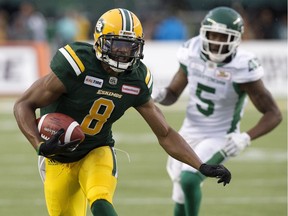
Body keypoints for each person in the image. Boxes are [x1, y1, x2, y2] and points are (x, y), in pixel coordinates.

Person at [13, 8, 231, 216]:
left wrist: (200, 165)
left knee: (100, 199)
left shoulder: (136, 79)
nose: (124, 52)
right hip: (56, 157)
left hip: (96, 149)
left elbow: (165, 133)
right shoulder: (77, 64)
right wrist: (40, 145)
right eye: (117, 45)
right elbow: (23, 104)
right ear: (100, 41)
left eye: (130, 46)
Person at [152, 6, 282, 216]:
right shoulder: (192, 51)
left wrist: (245, 137)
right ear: (203, 33)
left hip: (220, 136)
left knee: (190, 178)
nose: (216, 42)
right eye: (212, 35)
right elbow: (173, 94)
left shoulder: (242, 66)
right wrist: (160, 94)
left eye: (223, 37)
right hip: (189, 131)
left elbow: (274, 113)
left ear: (236, 40)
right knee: (180, 192)